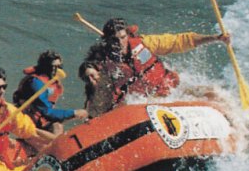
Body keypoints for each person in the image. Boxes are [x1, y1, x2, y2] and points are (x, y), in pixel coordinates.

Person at [83, 17, 231, 114]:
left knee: (212, 93)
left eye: (122, 38)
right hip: (142, 101)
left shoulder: (145, 43)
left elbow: (180, 41)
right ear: (107, 41)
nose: (120, 43)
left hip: (168, 88)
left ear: (127, 35)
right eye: (115, 40)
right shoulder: (103, 61)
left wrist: (215, 38)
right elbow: (93, 85)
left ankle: (243, 126)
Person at [13, 50, 88, 134]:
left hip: (39, 118)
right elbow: (47, 112)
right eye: (52, 67)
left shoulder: (52, 81)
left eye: (59, 67)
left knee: (58, 126)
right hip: (25, 120)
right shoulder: (36, 83)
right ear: (44, 67)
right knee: (57, 127)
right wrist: (73, 113)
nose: (55, 70)